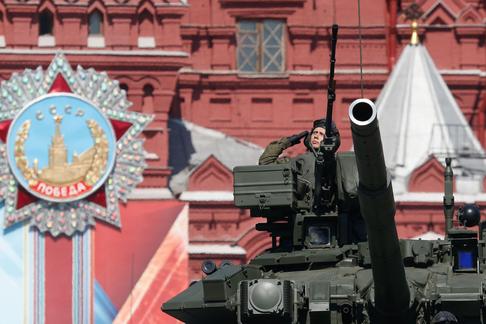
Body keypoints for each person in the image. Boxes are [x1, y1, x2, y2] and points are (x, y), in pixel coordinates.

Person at [259, 118, 366, 243]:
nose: (316, 136)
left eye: (321, 134)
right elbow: (265, 162)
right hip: (302, 220)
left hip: (338, 223)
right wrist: (288, 141)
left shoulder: (341, 163)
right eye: (315, 133)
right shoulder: (299, 161)